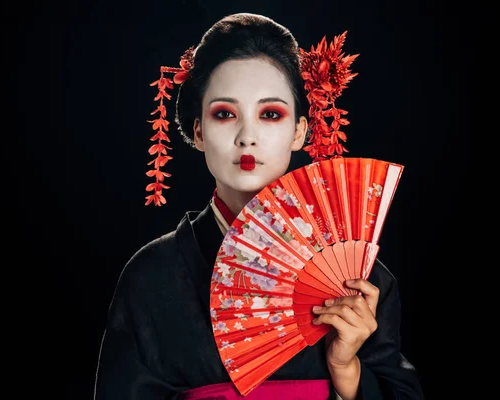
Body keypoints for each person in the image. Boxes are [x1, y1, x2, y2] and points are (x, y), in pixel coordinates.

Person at [94, 12, 424, 400]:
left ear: (299, 130)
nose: (247, 137)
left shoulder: (361, 281)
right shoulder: (151, 277)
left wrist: (347, 371)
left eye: (270, 114)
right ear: (198, 131)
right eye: (224, 114)